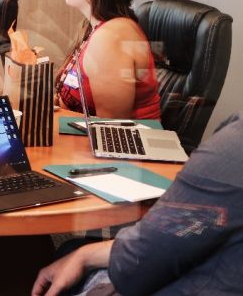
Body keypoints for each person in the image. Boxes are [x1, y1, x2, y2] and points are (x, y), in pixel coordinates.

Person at [32, 112, 243, 296]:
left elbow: (134, 271)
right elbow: (182, 234)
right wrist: (83, 255)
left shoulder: (234, 146)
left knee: (58, 261)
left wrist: (83, 256)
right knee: (72, 248)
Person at [55, 0, 161, 120]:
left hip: (127, 142)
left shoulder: (112, 37)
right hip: (89, 134)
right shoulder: (95, 28)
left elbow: (112, 127)